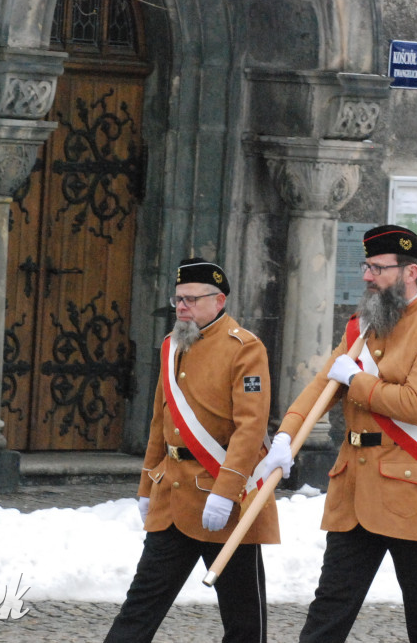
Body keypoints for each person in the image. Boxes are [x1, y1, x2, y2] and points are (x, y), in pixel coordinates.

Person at [262, 224, 417, 643]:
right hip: (355, 488)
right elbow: (322, 386)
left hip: (413, 487)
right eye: (366, 266)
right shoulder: (363, 325)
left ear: (410, 272)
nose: (367, 276)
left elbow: (415, 404)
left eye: (378, 268)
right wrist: (287, 435)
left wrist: (357, 383)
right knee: (329, 608)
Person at [105, 258, 283, 643]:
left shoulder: (244, 348)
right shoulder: (173, 344)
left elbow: (250, 428)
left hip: (223, 501)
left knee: (244, 621)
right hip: (172, 497)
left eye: (191, 299)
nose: (181, 307)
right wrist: (146, 483)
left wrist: (225, 491)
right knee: (139, 607)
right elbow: (159, 421)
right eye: (178, 299)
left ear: (218, 301)